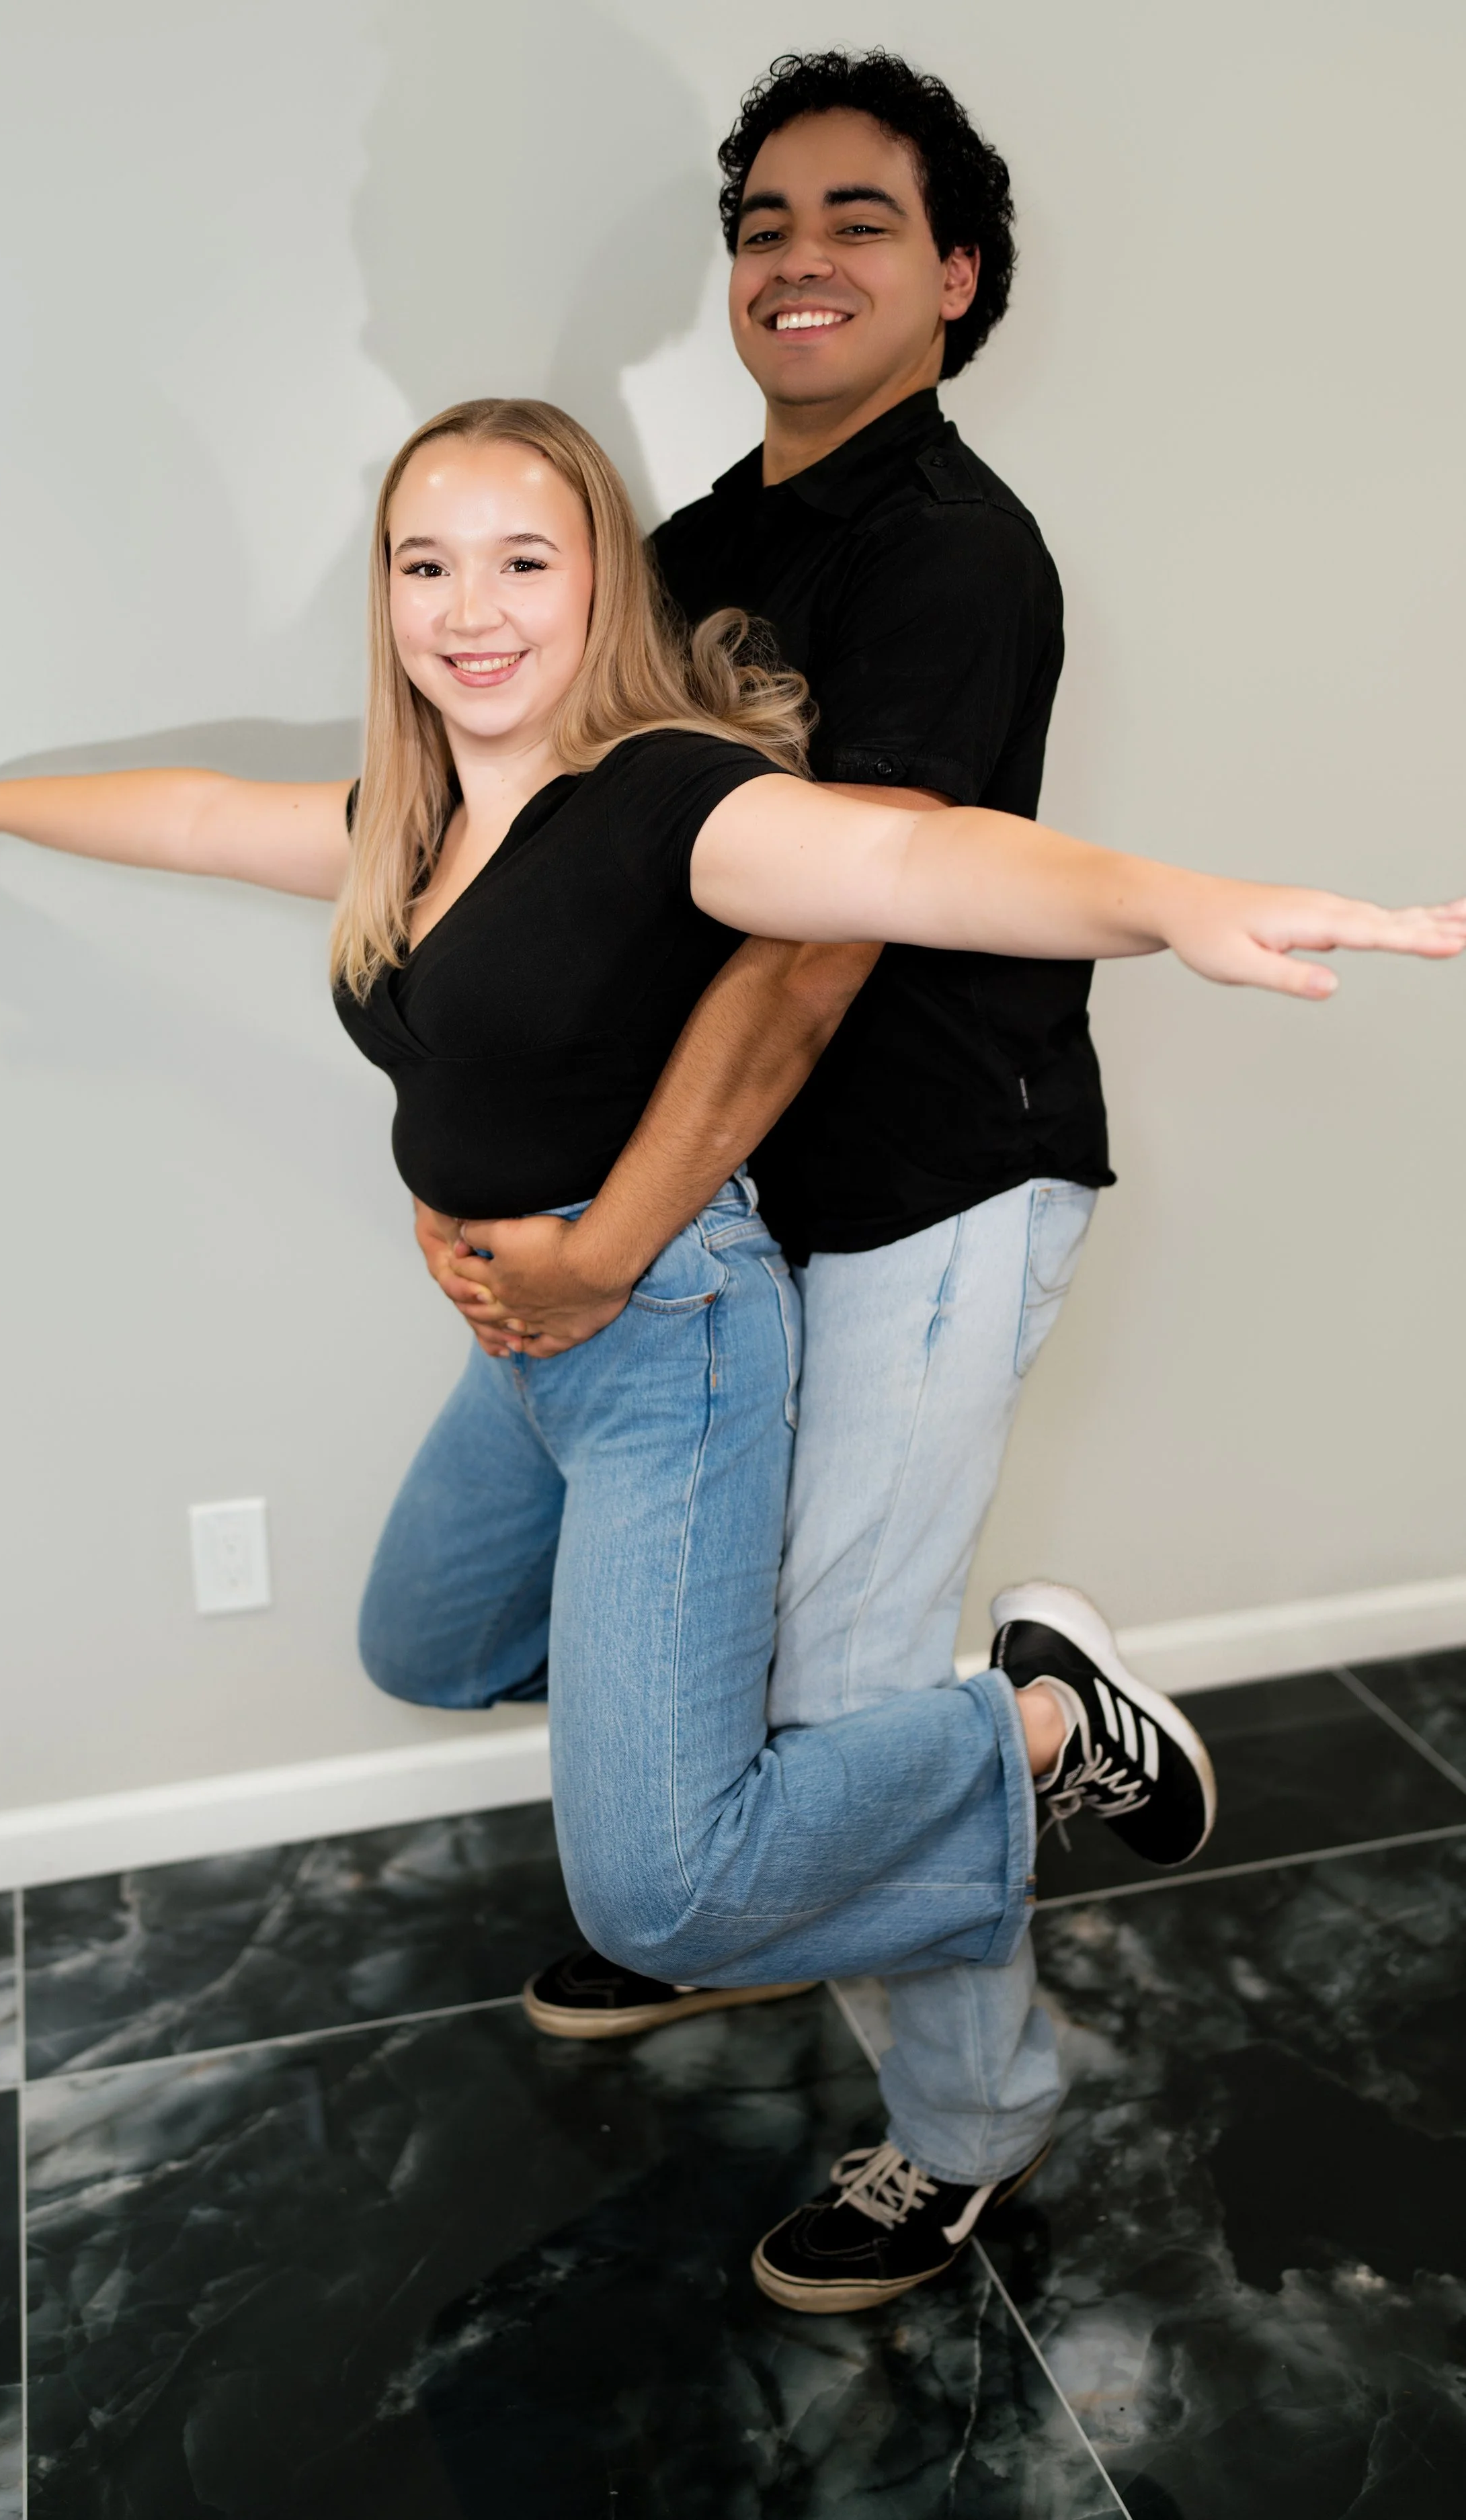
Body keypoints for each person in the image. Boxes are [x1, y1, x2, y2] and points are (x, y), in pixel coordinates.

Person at [0, 398, 1465, 2313]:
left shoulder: (669, 798)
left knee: (657, 1889)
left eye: (522, 560)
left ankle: (1036, 1724)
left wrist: (1181, 904)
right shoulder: (416, 813)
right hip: (527, 1357)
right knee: (426, 1644)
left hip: (669, 1348)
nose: (471, 607)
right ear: (381, 596)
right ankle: (730, 1795)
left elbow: (921, 869)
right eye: (424, 561)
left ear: (599, 578)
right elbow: (203, 814)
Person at [411, 50, 1141, 2305]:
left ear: (954, 276)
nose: (793, 259)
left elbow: (825, 937)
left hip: (926, 1182)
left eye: (853, 220)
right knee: (581, 1640)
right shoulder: (692, 553)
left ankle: (975, 2107)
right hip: (730, 1212)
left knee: (836, 1688)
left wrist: (617, 1222)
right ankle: (731, 1900)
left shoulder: (954, 560)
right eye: (759, 223)